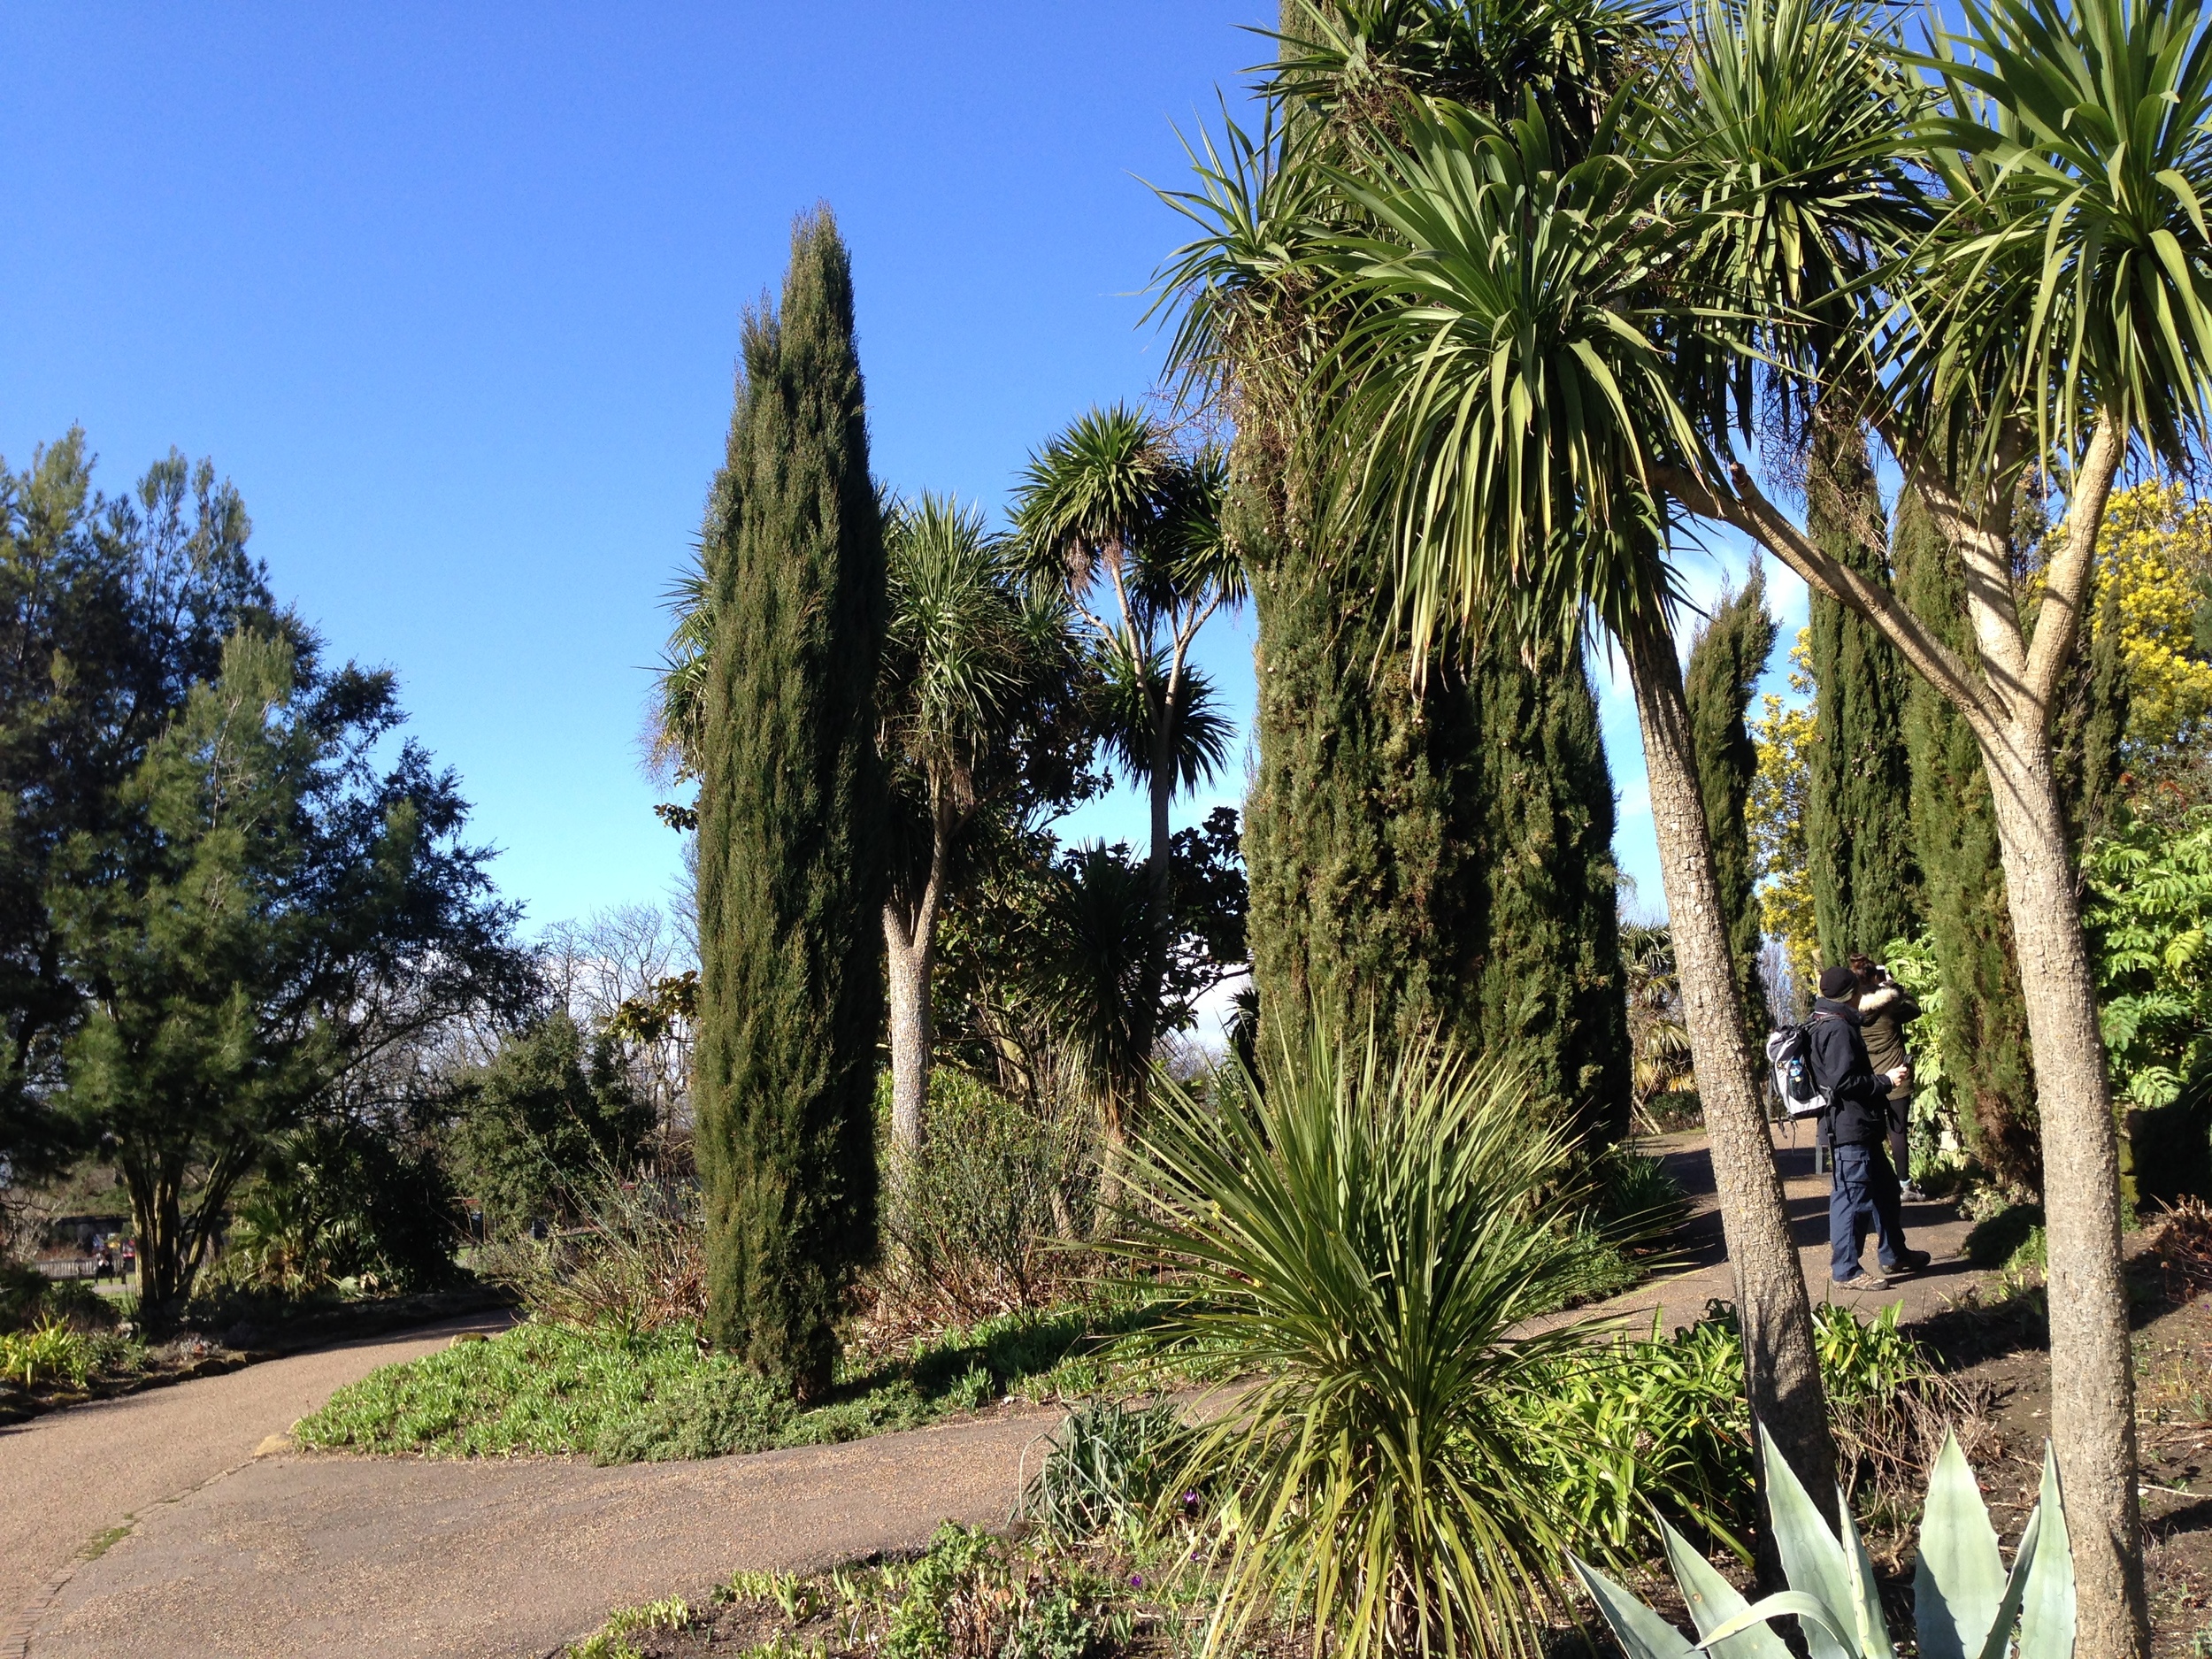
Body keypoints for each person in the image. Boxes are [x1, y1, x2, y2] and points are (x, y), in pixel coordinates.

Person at [1810, 964, 1931, 1292]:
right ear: (1851, 994)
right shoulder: (1837, 1029)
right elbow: (1844, 1081)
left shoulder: (1828, 1021)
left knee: (1886, 1192)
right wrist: (1886, 1081)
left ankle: (1894, 1254)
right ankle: (1846, 1270)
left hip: (1860, 1125)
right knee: (1852, 1200)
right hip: (1850, 1126)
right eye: (1859, 991)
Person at [1850, 952, 1924, 1200]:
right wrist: (1893, 986)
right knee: (1898, 1131)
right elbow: (1914, 1009)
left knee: (1872, 1133)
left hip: (1869, 1082)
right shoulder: (1889, 1007)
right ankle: (1905, 1186)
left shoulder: (1852, 1013)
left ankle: (1876, 1184)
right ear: (1875, 977)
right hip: (1897, 1080)